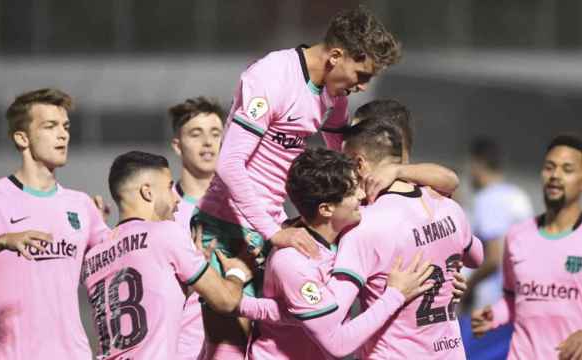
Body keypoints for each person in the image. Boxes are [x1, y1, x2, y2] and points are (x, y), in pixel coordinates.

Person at [193, 7, 458, 358]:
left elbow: (346, 166)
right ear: (336, 56)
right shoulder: (271, 76)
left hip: (275, 226)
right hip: (228, 226)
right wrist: (273, 231)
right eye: (361, 74)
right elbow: (228, 164)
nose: (363, 86)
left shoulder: (335, 99)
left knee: (297, 323)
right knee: (230, 349)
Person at [238, 119, 481, 359]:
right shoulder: (295, 256)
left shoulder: (359, 229)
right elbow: (335, 338)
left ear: (360, 162)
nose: (362, 194)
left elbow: (317, 317)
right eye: (353, 190)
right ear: (325, 209)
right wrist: (396, 294)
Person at [472, 134, 582, 360]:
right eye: (549, 167)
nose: (555, 175)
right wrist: (494, 315)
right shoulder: (517, 236)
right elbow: (512, 300)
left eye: (567, 169)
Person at [82, 151, 252, 359]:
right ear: (147, 192)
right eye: (170, 187)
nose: (176, 199)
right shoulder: (166, 234)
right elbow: (226, 301)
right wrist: (238, 272)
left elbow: (148, 308)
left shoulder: (93, 257)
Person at [0, 88, 109, 359]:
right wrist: (1, 241)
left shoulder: (81, 206)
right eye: (50, 126)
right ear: (22, 138)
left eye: (65, 126)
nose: (63, 134)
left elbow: (114, 261)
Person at [459, 137, 533, 359]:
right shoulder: (519, 196)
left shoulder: (489, 199)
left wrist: (467, 289)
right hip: (517, 304)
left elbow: (493, 258)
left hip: (489, 306)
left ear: (478, 163)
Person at [168, 97, 225, 360]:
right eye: (196, 133)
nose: (208, 143)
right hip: (181, 351)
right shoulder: (159, 211)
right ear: (177, 146)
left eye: (215, 134)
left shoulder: (246, 206)